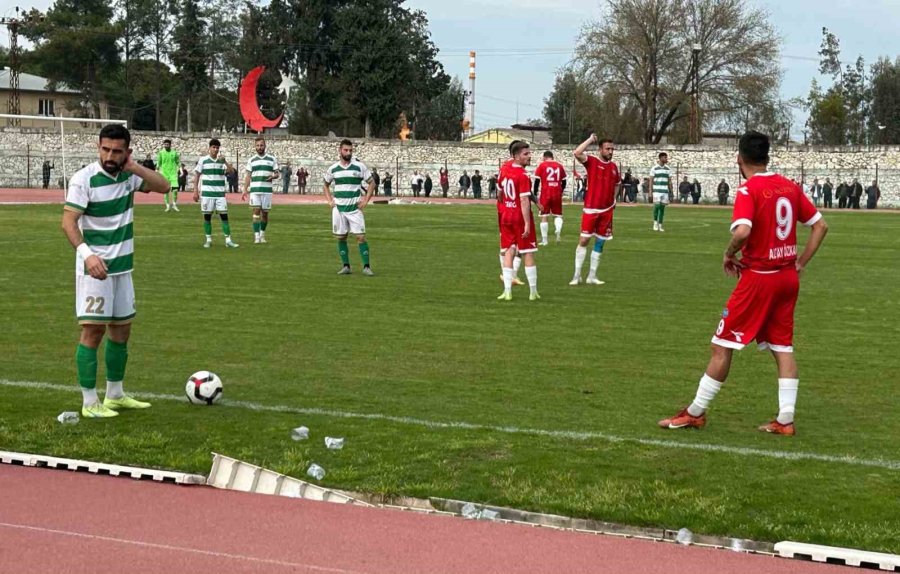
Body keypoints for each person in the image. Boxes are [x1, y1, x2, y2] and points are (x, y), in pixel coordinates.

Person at [658, 131, 828, 436]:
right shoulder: (789, 186)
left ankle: (695, 413)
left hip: (759, 279)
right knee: (782, 347)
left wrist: (727, 253)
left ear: (739, 158)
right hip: (787, 278)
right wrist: (800, 262)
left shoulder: (748, 190)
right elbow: (820, 225)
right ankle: (785, 420)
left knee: (721, 345)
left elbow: (742, 232)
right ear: (767, 157)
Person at [61, 124, 170, 418]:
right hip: (94, 271)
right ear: (98, 147)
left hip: (123, 269)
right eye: (105, 149)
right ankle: (88, 402)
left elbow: (164, 186)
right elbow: (68, 223)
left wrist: (134, 167)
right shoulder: (83, 179)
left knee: (122, 331)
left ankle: (115, 394)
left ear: (126, 152)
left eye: (117, 151)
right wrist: (87, 255)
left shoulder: (128, 177)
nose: (110, 156)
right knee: (93, 331)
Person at [570, 134, 620, 286]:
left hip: (607, 210)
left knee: (600, 242)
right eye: (607, 149)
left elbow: (617, 184)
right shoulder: (592, 161)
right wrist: (590, 140)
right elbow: (577, 153)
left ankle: (592, 276)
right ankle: (576, 275)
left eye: (612, 149)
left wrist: (614, 199)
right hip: (591, 209)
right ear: (600, 149)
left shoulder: (613, 167)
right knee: (584, 240)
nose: (610, 152)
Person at [323, 139, 375, 275]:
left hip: (354, 209)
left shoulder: (359, 166)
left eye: (350, 150)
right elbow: (325, 184)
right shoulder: (333, 168)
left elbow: (372, 183)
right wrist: (329, 201)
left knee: (361, 237)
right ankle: (346, 266)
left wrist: (365, 201)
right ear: (340, 151)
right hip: (339, 209)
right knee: (341, 237)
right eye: (346, 150)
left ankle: (366, 267)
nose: (348, 152)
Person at [497, 140, 539, 301]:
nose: (529, 156)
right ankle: (533, 292)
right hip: (519, 217)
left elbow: (500, 192)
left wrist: (505, 206)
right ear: (516, 156)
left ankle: (507, 292)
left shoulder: (505, 169)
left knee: (508, 251)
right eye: (525, 154)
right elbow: (523, 201)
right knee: (528, 252)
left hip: (506, 215)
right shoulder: (523, 175)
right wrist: (527, 223)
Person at [192, 138, 239, 248]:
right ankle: (208, 240)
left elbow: (232, 172)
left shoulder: (221, 161)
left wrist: (225, 162)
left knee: (224, 217)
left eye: (217, 148)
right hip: (207, 194)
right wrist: (195, 191)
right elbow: (197, 176)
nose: (215, 149)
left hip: (220, 195)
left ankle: (228, 240)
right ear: (209, 148)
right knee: (207, 217)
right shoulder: (203, 160)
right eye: (213, 147)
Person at [240, 136, 279, 244]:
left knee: (265, 214)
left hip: (266, 191)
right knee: (256, 212)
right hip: (255, 190)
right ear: (255, 147)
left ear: (265, 146)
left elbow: (277, 173)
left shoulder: (272, 159)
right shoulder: (251, 160)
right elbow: (248, 175)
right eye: (257, 145)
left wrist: (273, 177)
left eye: (261, 145)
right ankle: (256, 236)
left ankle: (262, 234)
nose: (259, 147)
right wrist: (244, 189)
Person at [534, 150, 568, 245]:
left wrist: (535, 193)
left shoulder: (542, 165)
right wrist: (560, 190)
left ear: (545, 157)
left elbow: (537, 181)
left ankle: (545, 241)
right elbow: (564, 181)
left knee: (544, 216)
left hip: (546, 193)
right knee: (557, 215)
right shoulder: (559, 166)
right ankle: (558, 229)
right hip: (557, 193)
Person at [650, 152, 673, 231]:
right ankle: (655, 223)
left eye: (666, 158)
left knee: (662, 208)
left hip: (665, 191)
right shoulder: (654, 168)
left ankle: (660, 225)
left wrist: (671, 191)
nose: (666, 159)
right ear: (660, 158)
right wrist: (650, 192)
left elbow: (669, 181)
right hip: (656, 191)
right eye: (665, 158)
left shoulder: (668, 169)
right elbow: (651, 181)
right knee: (657, 206)